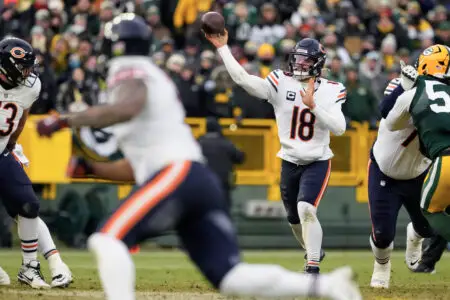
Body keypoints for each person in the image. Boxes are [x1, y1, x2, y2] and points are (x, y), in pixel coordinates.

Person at [35, 13, 361, 300]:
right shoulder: (278, 80)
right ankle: (325, 287)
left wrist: (67, 119)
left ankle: (314, 266)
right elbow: (140, 167)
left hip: (182, 173)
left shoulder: (131, 71)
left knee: (107, 239)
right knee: (230, 277)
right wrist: (91, 168)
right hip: (196, 178)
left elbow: (125, 108)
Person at [205, 30, 346, 273]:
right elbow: (243, 79)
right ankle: (314, 250)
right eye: (298, 59)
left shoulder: (332, 89)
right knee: (294, 218)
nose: (300, 64)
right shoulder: (281, 81)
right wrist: (223, 48)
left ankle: (312, 266)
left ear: (319, 64)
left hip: (317, 159)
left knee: (306, 209)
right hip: (289, 159)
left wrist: (314, 108)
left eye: (307, 61)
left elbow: (340, 128)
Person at [0, 37, 71, 289]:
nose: (28, 73)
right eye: (23, 67)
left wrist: (12, 142)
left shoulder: (30, 86)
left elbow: (21, 116)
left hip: (1, 153)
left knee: (29, 204)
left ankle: (30, 268)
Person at [367, 60, 434, 289]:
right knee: (382, 234)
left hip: (419, 172)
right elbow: (385, 111)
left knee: (429, 227)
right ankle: (382, 266)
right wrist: (402, 87)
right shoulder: (402, 83)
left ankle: (415, 235)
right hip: (385, 170)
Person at [385, 44, 450, 253]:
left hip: (446, 157)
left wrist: (404, 90)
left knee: (428, 209)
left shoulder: (414, 90)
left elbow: (391, 123)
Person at [197, 117, 245, 210]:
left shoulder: (198, 142)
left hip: (204, 183)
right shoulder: (226, 143)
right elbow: (240, 158)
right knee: (223, 210)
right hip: (223, 184)